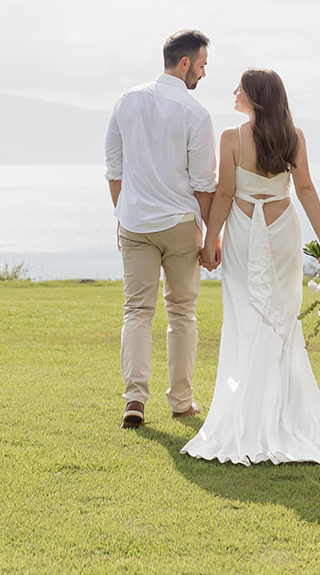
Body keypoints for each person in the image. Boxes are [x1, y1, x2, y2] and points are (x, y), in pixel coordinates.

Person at [182, 68, 320, 465]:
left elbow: (226, 193)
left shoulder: (232, 137)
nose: (234, 92)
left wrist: (212, 240)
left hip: (245, 231)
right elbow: (306, 190)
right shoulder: (293, 137)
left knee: (248, 317)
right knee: (280, 317)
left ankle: (251, 413)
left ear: (255, 98)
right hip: (282, 229)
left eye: (240, 88)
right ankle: (278, 410)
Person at [105, 29, 217, 429]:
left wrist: (123, 216)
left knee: (136, 311)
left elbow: (114, 170)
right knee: (182, 313)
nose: (203, 75)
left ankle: (134, 399)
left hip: (135, 224)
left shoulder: (126, 100)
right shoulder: (196, 114)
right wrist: (212, 237)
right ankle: (181, 402)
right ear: (184, 62)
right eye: (202, 66)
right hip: (179, 225)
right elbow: (205, 184)